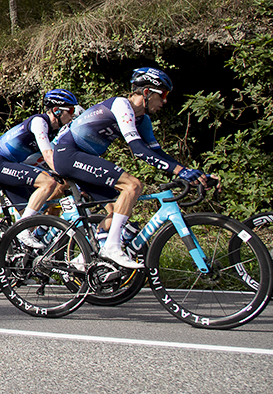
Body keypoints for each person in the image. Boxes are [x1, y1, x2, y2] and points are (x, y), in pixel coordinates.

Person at [51, 67, 212, 269]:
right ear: (146, 93)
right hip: (69, 153)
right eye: (162, 95)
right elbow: (138, 149)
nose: (164, 101)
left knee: (113, 212)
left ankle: (84, 263)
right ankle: (111, 248)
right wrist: (180, 171)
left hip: (83, 157)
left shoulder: (142, 120)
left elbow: (158, 153)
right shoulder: (121, 105)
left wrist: (191, 172)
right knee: (133, 185)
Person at [0, 89, 80, 247]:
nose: (72, 114)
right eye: (70, 110)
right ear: (56, 111)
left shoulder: (54, 132)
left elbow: (45, 159)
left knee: (34, 218)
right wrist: (64, 173)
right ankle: (22, 231)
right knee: (48, 183)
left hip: (13, 165)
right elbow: (48, 155)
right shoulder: (39, 122)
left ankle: (0, 250)